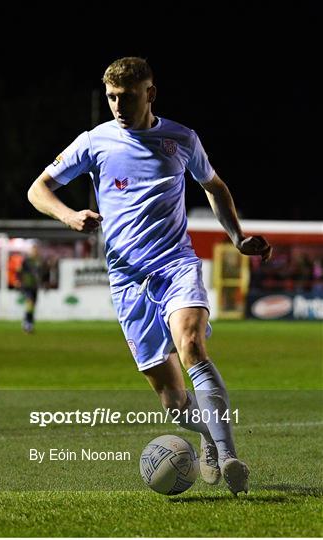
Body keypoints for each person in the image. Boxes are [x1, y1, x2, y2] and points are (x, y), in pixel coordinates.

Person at [27, 57, 272, 495]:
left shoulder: (180, 139)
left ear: (150, 94)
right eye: (111, 97)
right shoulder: (94, 141)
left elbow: (213, 185)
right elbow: (38, 188)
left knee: (192, 345)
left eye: (127, 96)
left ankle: (229, 452)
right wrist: (67, 216)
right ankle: (205, 436)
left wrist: (236, 237)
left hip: (176, 266)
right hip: (127, 282)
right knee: (175, 403)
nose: (118, 105)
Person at [18, 244, 43, 333]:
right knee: (30, 304)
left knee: (32, 306)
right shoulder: (26, 261)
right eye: (33, 250)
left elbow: (41, 274)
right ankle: (27, 324)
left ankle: (29, 323)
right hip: (27, 285)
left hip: (34, 286)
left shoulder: (39, 261)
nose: (35, 252)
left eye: (36, 250)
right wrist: (19, 282)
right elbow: (19, 272)